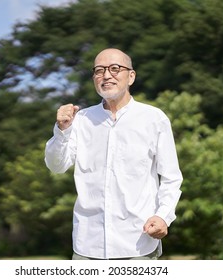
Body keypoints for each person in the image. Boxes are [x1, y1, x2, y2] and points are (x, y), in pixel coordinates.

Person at [44, 48, 183, 260]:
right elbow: (56, 165)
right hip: (87, 245)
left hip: (138, 243)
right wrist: (61, 131)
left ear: (131, 76)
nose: (106, 75)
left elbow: (171, 178)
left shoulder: (154, 119)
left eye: (115, 69)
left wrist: (163, 216)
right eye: (99, 70)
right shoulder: (81, 119)